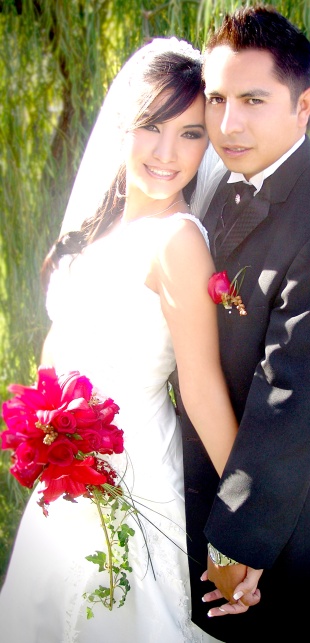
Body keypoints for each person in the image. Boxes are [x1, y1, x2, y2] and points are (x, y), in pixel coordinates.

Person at [0, 37, 238, 643]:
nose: (168, 152)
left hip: (133, 473)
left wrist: (248, 523)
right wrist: (44, 429)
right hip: (69, 476)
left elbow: (202, 389)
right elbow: (57, 356)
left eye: (190, 134)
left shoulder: (177, 240)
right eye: (153, 126)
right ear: (124, 127)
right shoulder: (99, 236)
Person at [174, 6, 310, 641]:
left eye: (253, 100)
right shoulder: (210, 183)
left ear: (304, 104)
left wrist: (238, 544)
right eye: (216, 98)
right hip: (174, 492)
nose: (227, 124)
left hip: (261, 533)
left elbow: (296, 404)